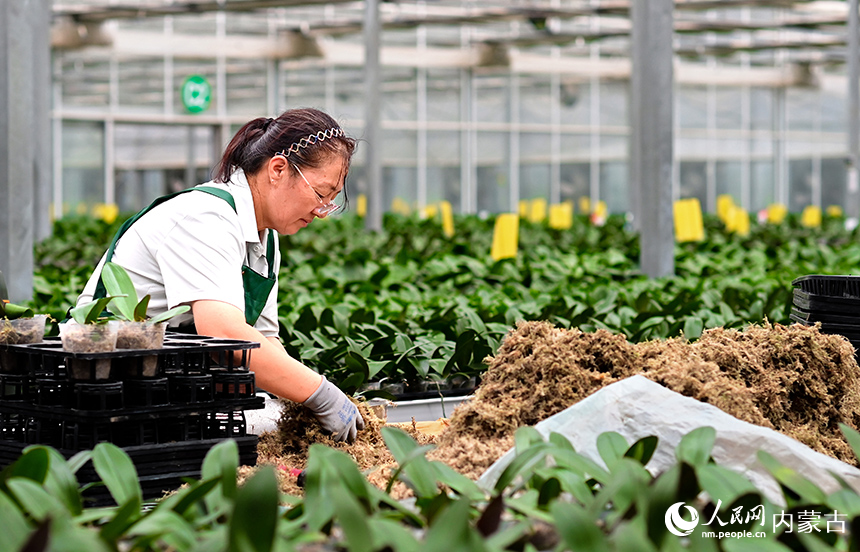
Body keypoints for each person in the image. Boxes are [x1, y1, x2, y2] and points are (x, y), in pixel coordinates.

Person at [76, 108, 365, 443]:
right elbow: (223, 333)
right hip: (104, 387)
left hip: (165, 391)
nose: (321, 211)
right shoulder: (206, 217)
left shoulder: (265, 238)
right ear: (278, 169)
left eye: (330, 202)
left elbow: (263, 339)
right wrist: (320, 393)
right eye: (320, 194)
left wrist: (300, 404)